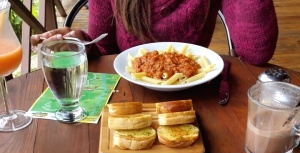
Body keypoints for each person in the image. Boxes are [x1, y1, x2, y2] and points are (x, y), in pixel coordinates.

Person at [31, 0, 278, 65]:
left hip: (196, 93)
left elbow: (256, 53)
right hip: (127, 91)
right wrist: (81, 42)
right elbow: (106, 48)